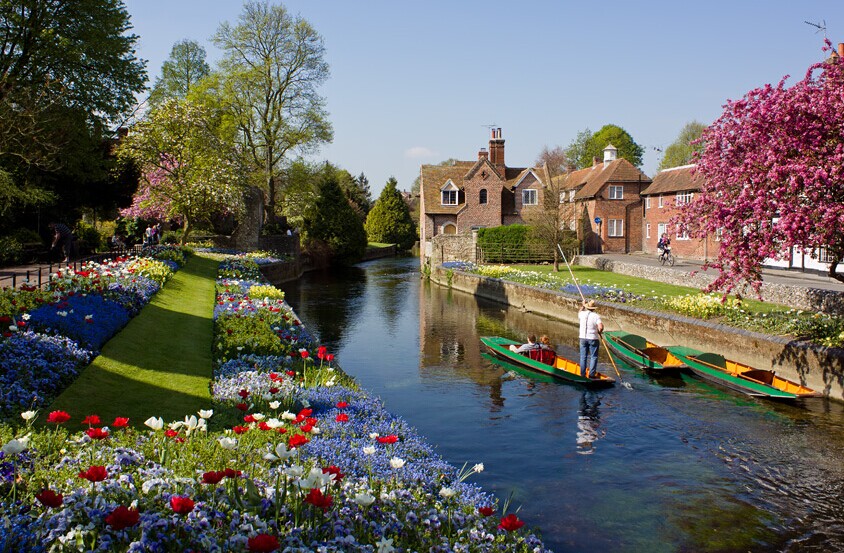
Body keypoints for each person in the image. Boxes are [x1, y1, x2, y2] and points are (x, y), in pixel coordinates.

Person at [578, 299, 604, 378]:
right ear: (594, 308)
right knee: (594, 357)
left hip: (583, 338)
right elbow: (601, 326)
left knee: (583, 357)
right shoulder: (596, 316)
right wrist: (599, 331)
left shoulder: (581, 314)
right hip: (593, 338)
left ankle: (582, 375)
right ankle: (591, 375)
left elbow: (579, 312)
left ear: (587, 307)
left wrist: (583, 305)